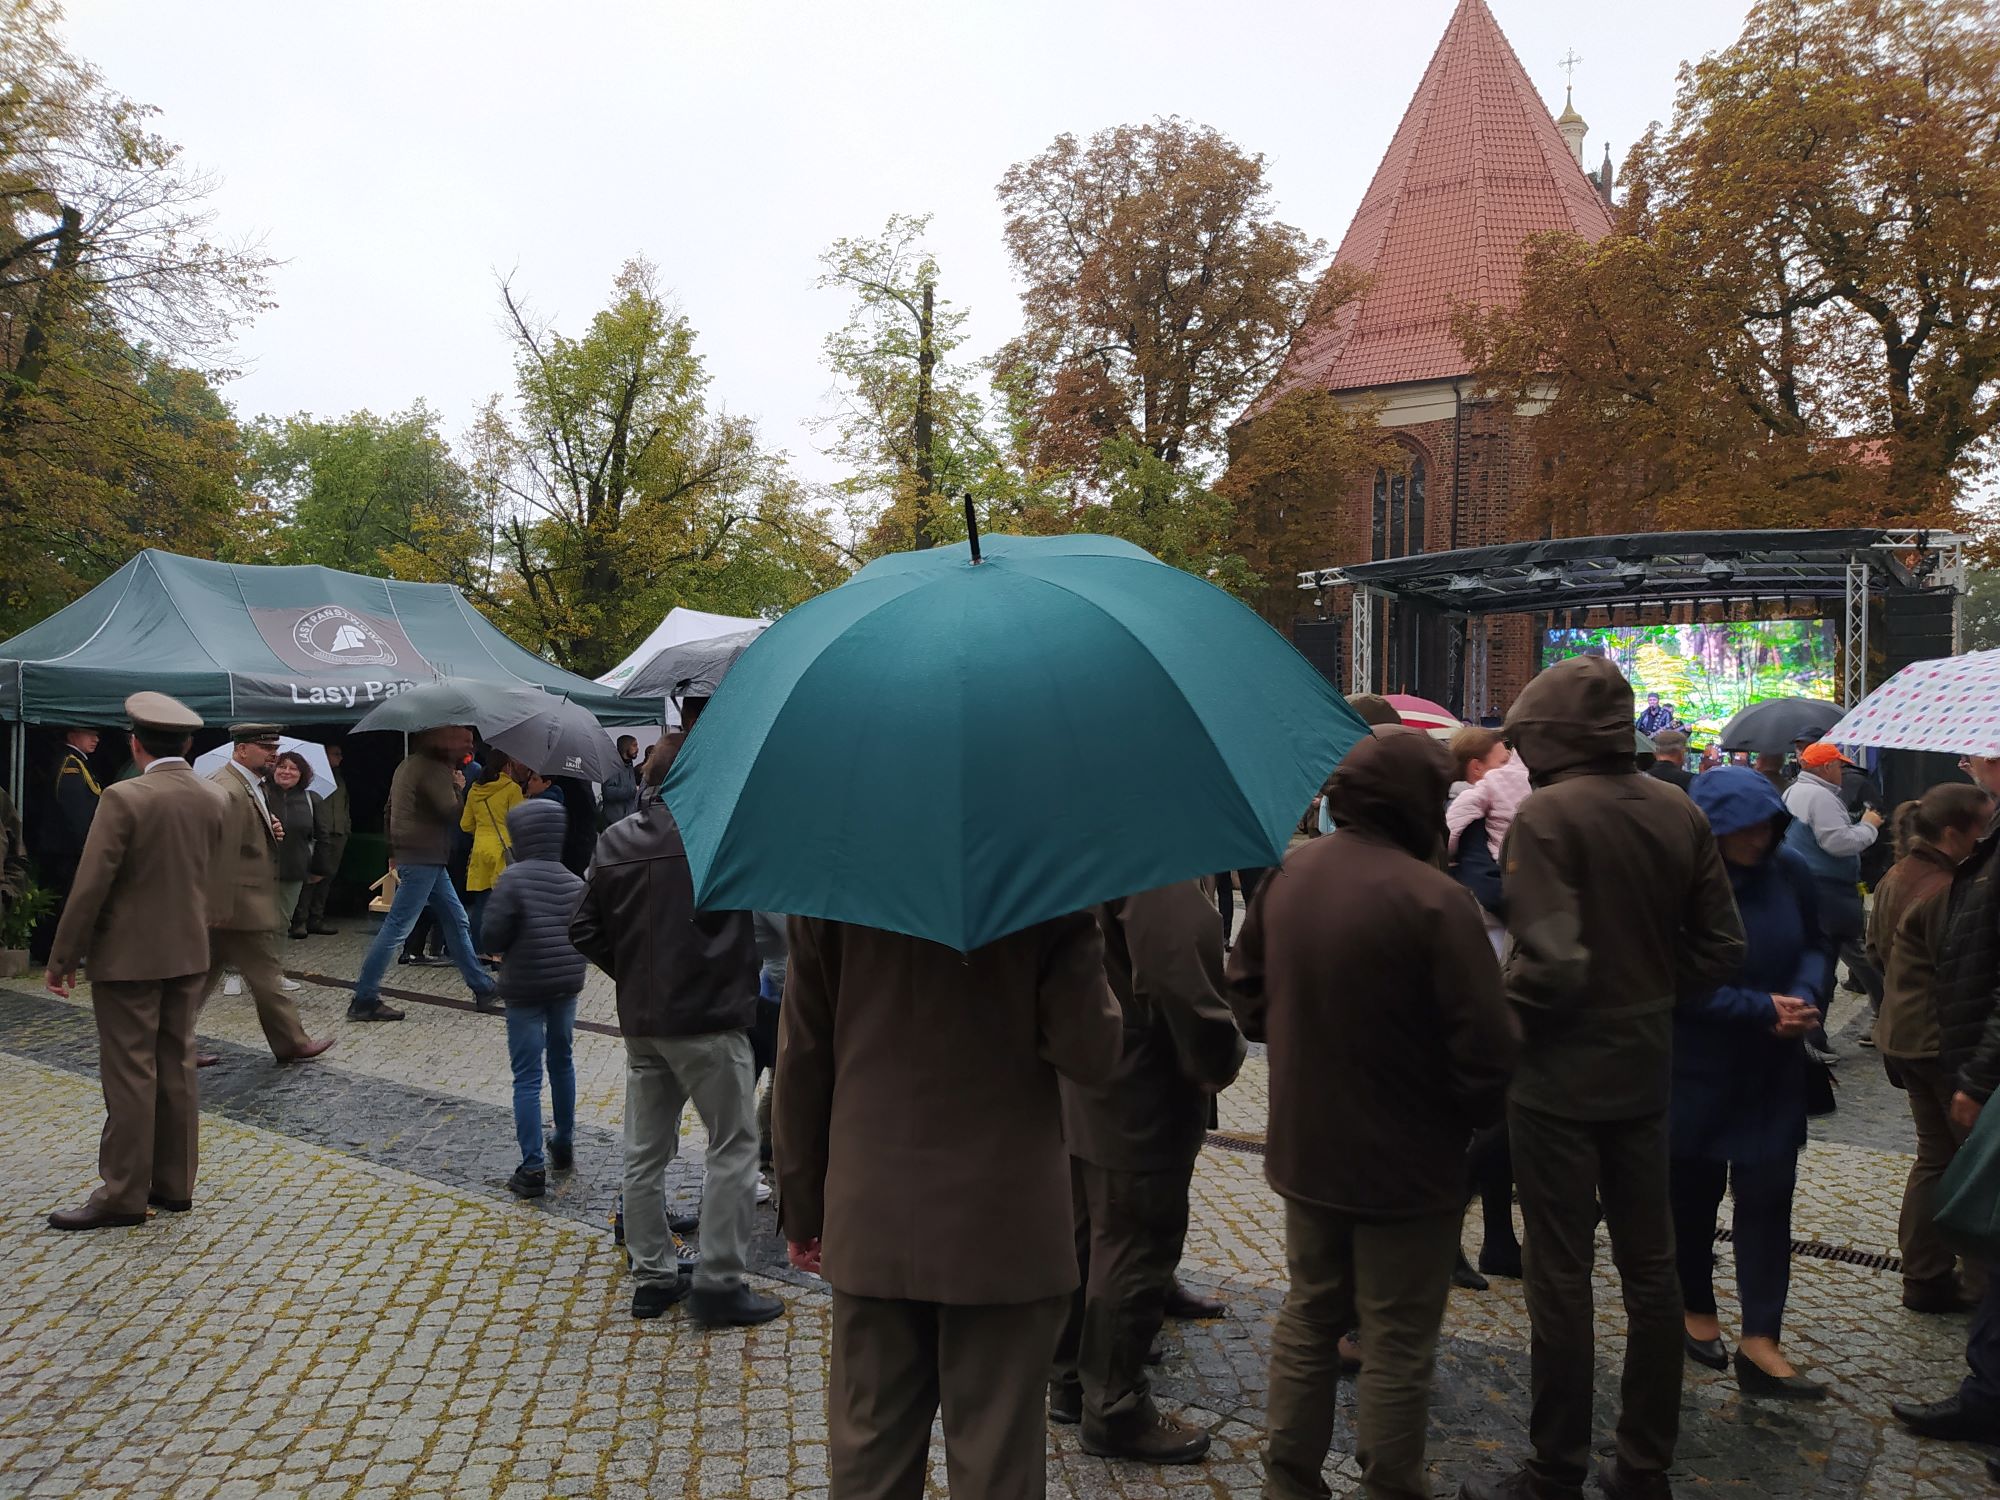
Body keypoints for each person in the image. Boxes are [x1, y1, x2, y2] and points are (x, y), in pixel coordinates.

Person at [1459, 655, 1745, 1500]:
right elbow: (1722, 948)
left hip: (1557, 1078)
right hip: (1647, 1068)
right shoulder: (1676, 807)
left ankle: (1555, 1469)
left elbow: (1550, 965)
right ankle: (1644, 1466)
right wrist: (1650, 994)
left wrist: (1492, 1037)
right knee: (1652, 1272)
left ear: (1548, 741)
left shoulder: (1549, 817)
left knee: (1561, 1274)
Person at [1231, 729, 1519, 1500]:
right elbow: (1486, 1051)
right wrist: (1469, 1116)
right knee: (1396, 1337)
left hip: (1307, 1148)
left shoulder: (1290, 874)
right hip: (1408, 1164)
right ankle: (1392, 1485)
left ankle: (1288, 1483)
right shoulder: (1436, 900)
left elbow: (1247, 998)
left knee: (1307, 1316)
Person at [777, 909, 1122, 1500]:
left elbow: (803, 1057)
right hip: (1003, 1222)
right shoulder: (1043, 886)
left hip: (874, 1212)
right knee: (997, 1466)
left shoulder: (836, 883)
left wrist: (805, 1207)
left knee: (869, 1461)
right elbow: (1091, 1053)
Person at [569, 741, 780, 1328]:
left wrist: (635, 972)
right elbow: (774, 924)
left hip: (645, 1022)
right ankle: (718, 1283)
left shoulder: (614, 841)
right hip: (710, 1019)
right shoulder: (719, 841)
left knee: (645, 1152)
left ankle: (653, 1275)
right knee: (734, 1149)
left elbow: (582, 926)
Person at [1050, 878, 1246, 1464]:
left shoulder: (1085, 819)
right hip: (1138, 1075)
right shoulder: (1157, 835)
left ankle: (1071, 1378)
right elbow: (1173, 965)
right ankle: (1115, 1409)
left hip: (1091, 1061)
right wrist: (1218, 1052)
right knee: (1133, 1239)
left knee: (1091, 1230)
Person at [1671, 768, 1830, 1399]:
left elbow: (1817, 943)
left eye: (1767, 824)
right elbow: (1672, 978)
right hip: (1697, 1065)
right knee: (1691, 1197)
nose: (1758, 838)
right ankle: (1694, 1307)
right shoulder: (1679, 886)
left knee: (1769, 1197)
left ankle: (1762, 1337)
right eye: (1743, 828)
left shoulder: (1790, 871)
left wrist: (1805, 998)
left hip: (1773, 1067)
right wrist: (1759, 1009)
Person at [45, 694, 228, 1231]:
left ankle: (123, 1194)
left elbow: (92, 882)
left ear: (135, 741)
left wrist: (64, 954)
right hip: (189, 948)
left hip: (128, 954)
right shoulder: (213, 796)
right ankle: (175, 1184)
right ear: (189, 743)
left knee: (129, 1073)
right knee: (176, 1065)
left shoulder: (125, 797)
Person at [1870, 784, 1991, 1312]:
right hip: (1937, 1042)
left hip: (1905, 1036)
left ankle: (1925, 1277)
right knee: (1970, 1163)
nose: (1988, 835)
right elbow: (1962, 970)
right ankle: (1970, 1284)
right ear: (1952, 833)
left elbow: (1875, 951)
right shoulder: (1946, 886)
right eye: (1981, 826)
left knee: (1935, 1158)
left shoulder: (1898, 873)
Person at [201, 725, 336, 1065]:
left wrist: (270, 830)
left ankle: (290, 1042)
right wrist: (218, 902)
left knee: (217, 978)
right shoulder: (228, 786)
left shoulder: (251, 785)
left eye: (274, 746)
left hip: (240, 904)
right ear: (241, 750)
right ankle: (291, 1042)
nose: (273, 753)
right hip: (234, 904)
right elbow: (216, 848)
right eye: (264, 747)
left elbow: (243, 836)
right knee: (257, 974)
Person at [350, 726, 499, 1022]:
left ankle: (483, 987)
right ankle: (364, 998)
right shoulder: (435, 768)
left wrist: (393, 850)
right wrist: (458, 785)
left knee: (455, 920)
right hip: (424, 855)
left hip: (418, 854)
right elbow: (449, 811)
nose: (469, 745)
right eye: (464, 739)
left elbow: (389, 809)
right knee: (397, 927)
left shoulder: (408, 763)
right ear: (444, 739)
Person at [479, 798, 584, 1200]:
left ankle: (532, 1166)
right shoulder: (574, 881)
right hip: (566, 984)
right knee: (562, 1061)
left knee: (527, 1076)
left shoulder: (513, 878)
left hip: (524, 988)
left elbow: (491, 937)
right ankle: (564, 1140)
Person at [1782, 741, 1883, 1054]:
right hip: (1828, 891)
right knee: (1824, 965)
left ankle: (1812, 1037)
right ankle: (1814, 1040)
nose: (1842, 771)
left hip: (1805, 888)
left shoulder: (1792, 792)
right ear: (1826, 768)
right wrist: (1869, 827)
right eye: (1839, 765)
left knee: (1820, 961)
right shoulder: (1820, 797)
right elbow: (1838, 843)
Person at [32, 725, 101, 961]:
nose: (96, 738)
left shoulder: (76, 760)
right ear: (72, 735)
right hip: (66, 849)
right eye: (89, 733)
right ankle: (62, 951)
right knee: (68, 900)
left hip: (65, 848)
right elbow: (76, 812)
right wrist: (88, 845)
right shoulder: (71, 764)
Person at [460, 755, 524, 954]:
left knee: (481, 903)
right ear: (508, 766)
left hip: (480, 849)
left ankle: (478, 949)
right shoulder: (512, 789)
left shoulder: (475, 790)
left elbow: (465, 824)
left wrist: (482, 832)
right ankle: (496, 951)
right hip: (503, 850)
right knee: (500, 905)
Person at [271, 750, 332, 940]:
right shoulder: (261, 794)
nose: (286, 772)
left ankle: (272, 966)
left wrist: (319, 869)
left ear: (302, 774)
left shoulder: (311, 799)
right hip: (261, 870)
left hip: (294, 870)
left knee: (281, 923)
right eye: (282, 766)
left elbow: (322, 836)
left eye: (293, 768)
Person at [296, 742, 350, 935]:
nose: (340, 758)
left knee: (327, 879)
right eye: (336, 754)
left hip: (338, 833)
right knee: (310, 878)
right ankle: (300, 920)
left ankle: (316, 918)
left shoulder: (339, 780)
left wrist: (346, 828)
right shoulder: (311, 781)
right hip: (318, 834)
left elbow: (344, 805)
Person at [601, 735, 641, 826]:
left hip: (629, 819)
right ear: (626, 747)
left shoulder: (629, 765)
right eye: (634, 745)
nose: (637, 749)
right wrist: (633, 790)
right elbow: (608, 792)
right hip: (615, 822)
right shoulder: (612, 766)